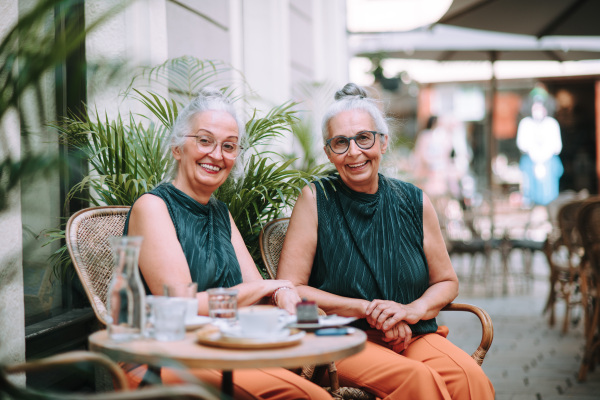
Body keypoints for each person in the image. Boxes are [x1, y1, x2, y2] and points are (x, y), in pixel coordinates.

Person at [277, 83, 495, 400]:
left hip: (413, 334)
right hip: (341, 340)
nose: (353, 152)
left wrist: (411, 311)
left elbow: (446, 281)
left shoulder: (414, 201)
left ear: (383, 142)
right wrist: (368, 310)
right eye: (340, 142)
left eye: (364, 138)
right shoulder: (315, 199)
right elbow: (290, 288)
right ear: (328, 152)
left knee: (469, 378)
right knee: (419, 381)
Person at [124, 88, 331, 400]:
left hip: (224, 350)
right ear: (177, 147)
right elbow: (182, 306)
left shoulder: (220, 212)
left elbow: (258, 286)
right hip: (165, 357)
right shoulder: (152, 207)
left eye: (229, 146)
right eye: (205, 140)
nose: (217, 155)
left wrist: (282, 292)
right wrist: (271, 287)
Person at [516, 100, 563, 206]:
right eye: (535, 109)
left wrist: (543, 158)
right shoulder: (525, 123)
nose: (537, 112)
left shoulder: (552, 123)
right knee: (530, 193)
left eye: (540, 108)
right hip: (530, 161)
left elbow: (556, 147)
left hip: (549, 161)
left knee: (549, 192)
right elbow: (522, 145)